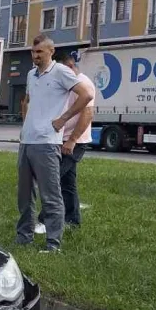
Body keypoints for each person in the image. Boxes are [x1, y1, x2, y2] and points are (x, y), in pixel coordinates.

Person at [17, 34, 94, 252]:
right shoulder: (32, 74)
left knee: (50, 194)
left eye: (39, 52)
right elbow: (28, 101)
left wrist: (63, 119)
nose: (35, 56)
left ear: (51, 51)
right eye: (33, 52)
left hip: (48, 143)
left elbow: (86, 95)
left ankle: (53, 243)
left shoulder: (61, 72)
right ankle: (24, 236)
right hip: (28, 142)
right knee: (24, 195)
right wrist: (26, 126)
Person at [55, 50, 95, 229]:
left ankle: (43, 220)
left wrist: (72, 140)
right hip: (61, 138)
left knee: (52, 180)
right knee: (67, 183)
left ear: (70, 65)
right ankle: (73, 220)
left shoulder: (84, 84)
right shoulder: (67, 82)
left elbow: (87, 114)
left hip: (75, 142)